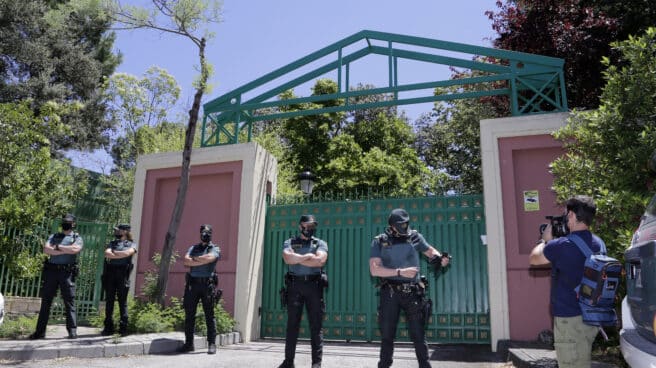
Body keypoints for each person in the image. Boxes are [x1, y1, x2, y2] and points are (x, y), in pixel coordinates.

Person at [369, 208, 450, 368]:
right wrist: (400, 272)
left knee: (419, 335)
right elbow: (374, 270)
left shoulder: (415, 236)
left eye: (406, 224)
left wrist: (440, 258)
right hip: (390, 293)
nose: (404, 227)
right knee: (387, 335)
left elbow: (430, 251)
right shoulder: (380, 241)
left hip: (413, 293)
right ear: (392, 226)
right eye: (401, 225)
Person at [529, 195, 604, 368]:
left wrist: (544, 240)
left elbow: (534, 258)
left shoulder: (562, 245)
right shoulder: (598, 243)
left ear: (570, 215)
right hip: (592, 317)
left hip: (571, 320)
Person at [277, 214, 328, 368]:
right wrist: (306, 256)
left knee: (316, 325)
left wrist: (296, 258)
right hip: (294, 286)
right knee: (292, 325)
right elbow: (287, 259)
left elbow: (320, 261)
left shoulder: (320, 243)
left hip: (314, 286)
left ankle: (316, 363)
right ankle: (288, 362)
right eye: (307, 226)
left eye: (313, 226)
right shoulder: (289, 242)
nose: (310, 229)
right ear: (300, 226)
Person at [29, 214, 84, 340]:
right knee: (46, 302)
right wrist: (66, 249)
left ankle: (72, 331)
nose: (66, 223)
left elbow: (75, 250)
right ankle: (40, 332)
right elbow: (47, 250)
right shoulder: (54, 236)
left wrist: (58, 247)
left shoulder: (76, 237)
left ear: (73, 224)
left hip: (67, 273)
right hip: (52, 272)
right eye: (64, 221)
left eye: (68, 222)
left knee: (69, 302)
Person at [177, 224, 221, 355]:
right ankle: (189, 344)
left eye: (207, 232)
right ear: (200, 233)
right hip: (192, 285)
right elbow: (185, 261)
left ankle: (212, 344)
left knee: (209, 315)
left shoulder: (215, 248)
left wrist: (194, 259)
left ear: (211, 234)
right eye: (203, 232)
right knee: (189, 315)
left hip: (207, 285)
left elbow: (210, 258)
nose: (205, 234)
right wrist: (202, 260)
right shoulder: (193, 247)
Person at [101, 224, 138, 336]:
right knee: (109, 301)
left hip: (123, 274)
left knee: (123, 301)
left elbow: (128, 253)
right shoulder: (112, 243)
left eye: (119, 230)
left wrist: (115, 254)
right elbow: (107, 253)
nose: (116, 232)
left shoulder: (132, 244)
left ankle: (123, 328)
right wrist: (120, 255)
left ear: (125, 232)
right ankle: (108, 327)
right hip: (110, 273)